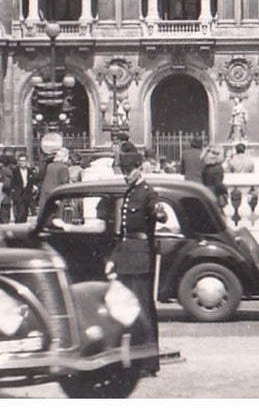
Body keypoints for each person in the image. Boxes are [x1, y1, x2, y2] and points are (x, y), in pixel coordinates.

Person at [109, 144, 162, 375]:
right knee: (128, 311)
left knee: (143, 311)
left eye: (129, 171)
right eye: (123, 171)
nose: (125, 175)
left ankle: (149, 363)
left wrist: (159, 213)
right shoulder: (130, 192)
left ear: (139, 169)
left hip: (141, 259)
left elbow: (157, 210)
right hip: (127, 257)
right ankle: (132, 359)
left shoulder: (148, 193)